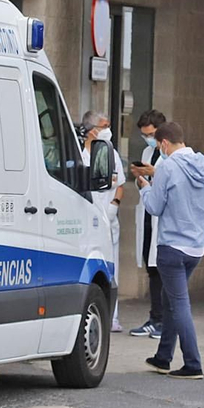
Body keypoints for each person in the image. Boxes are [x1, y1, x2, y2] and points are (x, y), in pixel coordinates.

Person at [138, 121, 204, 380]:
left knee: (179, 304)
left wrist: (145, 188)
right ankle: (163, 357)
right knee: (171, 300)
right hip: (196, 246)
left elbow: (155, 207)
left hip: (172, 246)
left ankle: (193, 363)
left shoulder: (167, 167)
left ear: (163, 144)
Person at [81, 111, 127, 332]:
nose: (109, 129)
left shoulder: (110, 153)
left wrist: (114, 205)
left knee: (111, 266)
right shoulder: (78, 152)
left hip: (108, 217)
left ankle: (113, 317)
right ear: (92, 130)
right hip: (85, 218)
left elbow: (120, 183)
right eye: (105, 125)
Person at [127, 109, 167, 339]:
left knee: (161, 271)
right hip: (148, 215)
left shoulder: (171, 155)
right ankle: (155, 318)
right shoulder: (147, 151)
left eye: (150, 134)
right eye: (144, 135)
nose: (148, 138)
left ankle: (162, 321)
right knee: (151, 270)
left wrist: (154, 174)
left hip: (162, 219)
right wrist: (141, 177)